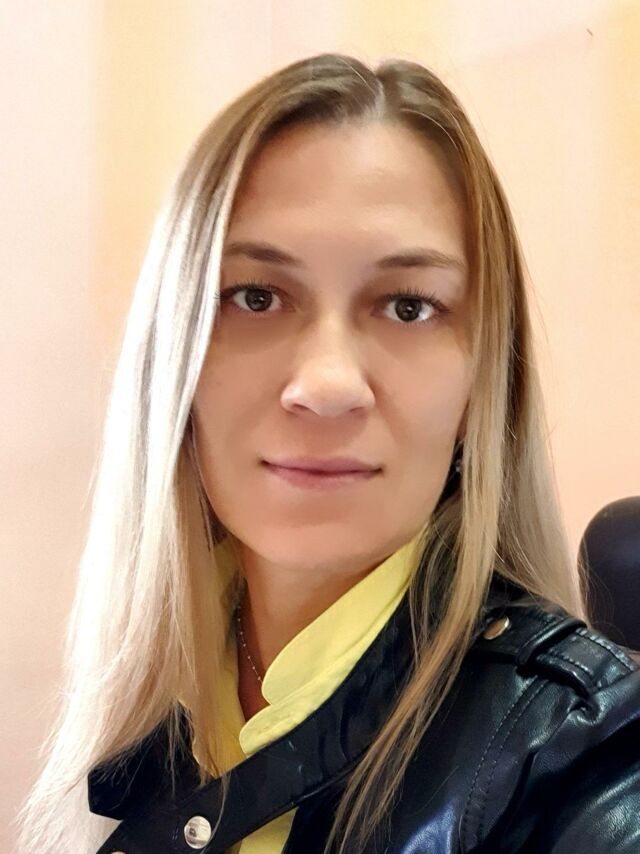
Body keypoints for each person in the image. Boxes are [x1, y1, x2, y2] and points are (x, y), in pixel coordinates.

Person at [15, 52, 640, 854]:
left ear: (483, 385)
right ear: (175, 363)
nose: (326, 384)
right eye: (255, 297)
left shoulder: (586, 758)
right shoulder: (159, 715)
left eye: (408, 306)